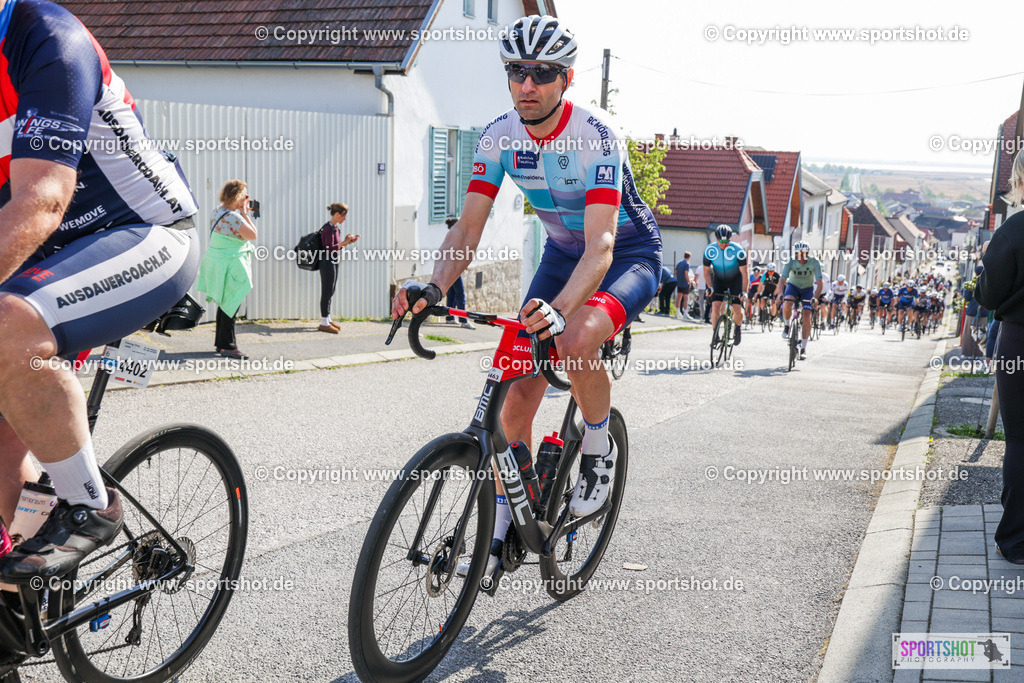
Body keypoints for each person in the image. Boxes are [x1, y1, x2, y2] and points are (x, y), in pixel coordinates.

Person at [391, 15, 661, 580]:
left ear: (565, 79)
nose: (527, 84)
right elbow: (466, 230)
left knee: (577, 337)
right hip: (562, 257)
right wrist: (432, 285)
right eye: (517, 72)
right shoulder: (498, 137)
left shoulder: (596, 134)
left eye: (541, 73)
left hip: (624, 254)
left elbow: (603, 244)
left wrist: (560, 311)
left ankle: (596, 448)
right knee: (512, 398)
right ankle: (510, 516)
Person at [0, 0, 201, 582]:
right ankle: (22, 601)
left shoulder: (49, 42)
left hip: (143, 234)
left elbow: (43, 202)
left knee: (6, 327)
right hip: (43, 258)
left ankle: (90, 505)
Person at [976, 152, 1024, 562]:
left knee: (1021, 440)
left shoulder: (1013, 230)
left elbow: (988, 294)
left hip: (1020, 342)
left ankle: (1016, 541)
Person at [197, 180, 257, 359]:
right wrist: (245, 214)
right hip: (230, 265)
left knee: (225, 304)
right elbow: (253, 235)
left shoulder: (217, 211)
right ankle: (228, 346)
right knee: (231, 304)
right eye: (245, 195)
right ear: (238, 197)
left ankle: (221, 344)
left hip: (218, 263)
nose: (247, 198)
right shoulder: (233, 217)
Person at [317, 203, 359, 333]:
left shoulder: (335, 228)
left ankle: (328, 319)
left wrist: (347, 241)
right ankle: (324, 322)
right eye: (343, 216)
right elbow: (329, 248)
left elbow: (337, 245)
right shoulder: (328, 228)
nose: (344, 219)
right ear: (336, 214)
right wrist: (345, 242)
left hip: (333, 261)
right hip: (327, 261)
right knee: (327, 290)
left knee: (331, 290)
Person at [777, 242, 824, 360]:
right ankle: (787, 326)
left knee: (807, 315)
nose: (801, 256)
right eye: (798, 254)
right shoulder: (791, 261)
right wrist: (780, 294)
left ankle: (803, 347)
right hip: (793, 287)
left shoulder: (814, 262)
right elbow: (782, 280)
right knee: (787, 303)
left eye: (803, 254)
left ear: (807, 253)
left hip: (807, 290)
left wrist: (815, 298)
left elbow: (819, 283)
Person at [703, 225, 747, 346]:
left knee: (737, 309)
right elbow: (706, 271)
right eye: (721, 241)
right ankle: (715, 335)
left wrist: (744, 292)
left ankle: (737, 329)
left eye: (727, 241)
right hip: (718, 280)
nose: (724, 244)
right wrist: (710, 286)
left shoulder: (738, 250)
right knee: (715, 307)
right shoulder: (709, 250)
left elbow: (744, 273)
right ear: (716, 239)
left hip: (735, 280)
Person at [443, 217, 474, 329]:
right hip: (453, 270)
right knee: (460, 295)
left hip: (450, 270)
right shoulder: (455, 239)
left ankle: (449, 317)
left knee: (452, 294)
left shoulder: (450, 238)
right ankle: (463, 320)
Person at [675, 251, 697, 321]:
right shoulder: (686, 264)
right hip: (685, 283)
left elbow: (675, 272)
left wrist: (678, 278)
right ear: (689, 257)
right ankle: (685, 313)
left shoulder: (679, 263)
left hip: (679, 282)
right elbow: (686, 273)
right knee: (686, 298)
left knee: (679, 298)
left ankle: (678, 312)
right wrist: (689, 282)